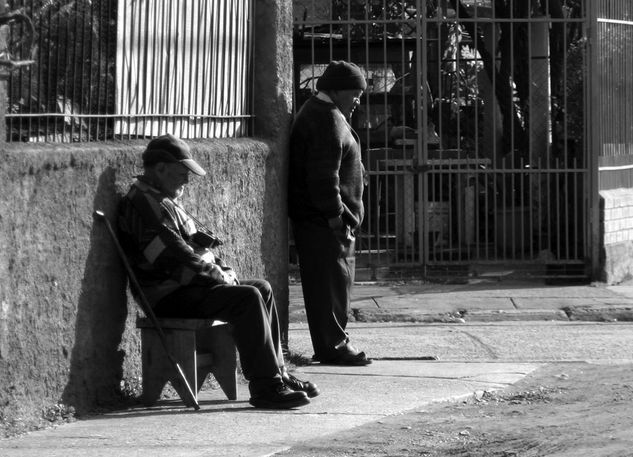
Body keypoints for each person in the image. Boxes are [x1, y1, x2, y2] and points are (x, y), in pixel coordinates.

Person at [118, 133, 319, 409]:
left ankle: (278, 373)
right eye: (181, 173)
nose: (187, 181)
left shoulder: (161, 198)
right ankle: (265, 386)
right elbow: (178, 261)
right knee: (246, 298)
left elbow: (197, 248)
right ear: (160, 169)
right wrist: (221, 277)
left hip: (187, 287)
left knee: (261, 288)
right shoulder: (144, 207)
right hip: (168, 295)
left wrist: (224, 271)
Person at [288, 60, 371, 366]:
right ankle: (333, 346)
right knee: (330, 286)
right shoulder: (325, 119)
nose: (358, 99)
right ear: (335, 91)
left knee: (335, 284)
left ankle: (334, 343)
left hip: (325, 222)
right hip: (324, 223)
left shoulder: (326, 113)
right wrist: (336, 216)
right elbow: (324, 176)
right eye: (354, 92)